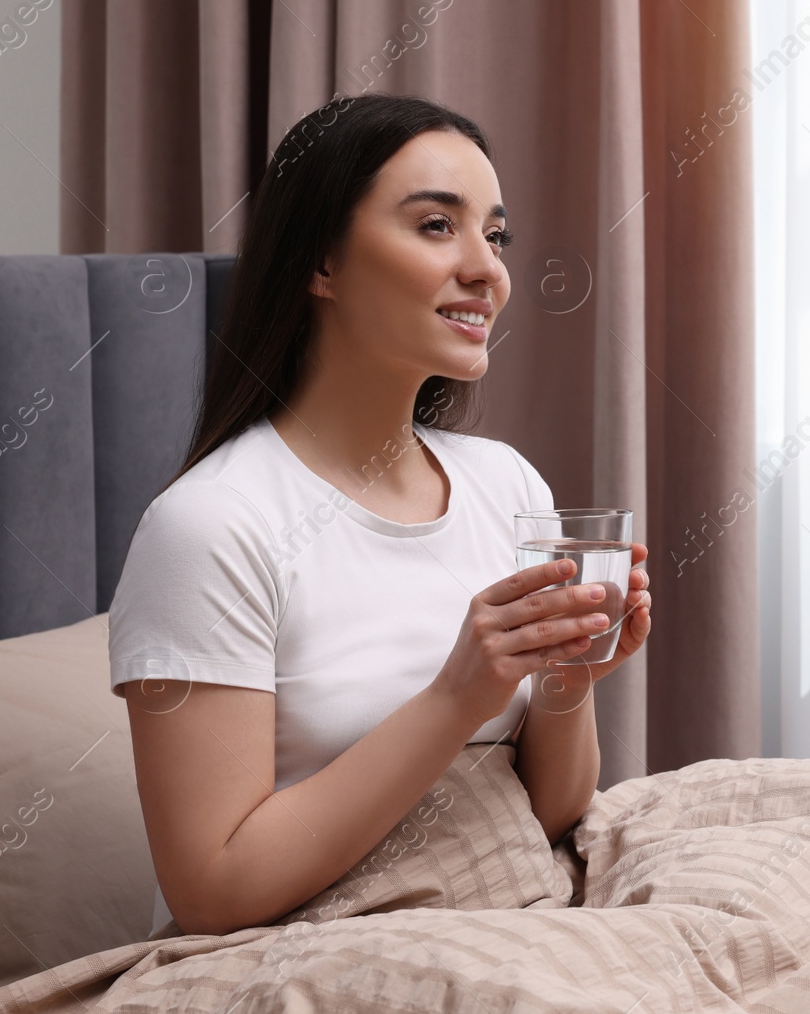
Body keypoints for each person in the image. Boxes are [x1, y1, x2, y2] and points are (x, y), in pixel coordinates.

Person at [107, 92, 651, 938]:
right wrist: (458, 695)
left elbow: (550, 815)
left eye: (495, 235)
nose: (488, 270)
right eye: (438, 226)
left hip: (512, 912)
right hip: (299, 953)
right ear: (321, 262)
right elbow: (211, 893)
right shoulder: (211, 526)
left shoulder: (507, 485)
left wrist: (564, 680)